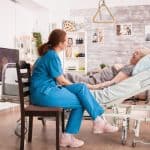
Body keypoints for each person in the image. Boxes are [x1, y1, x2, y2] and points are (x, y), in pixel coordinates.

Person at [30, 29, 118, 148]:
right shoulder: (52, 55)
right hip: (44, 94)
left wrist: (79, 86)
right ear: (60, 43)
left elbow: (39, 72)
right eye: (66, 41)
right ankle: (74, 133)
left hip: (44, 92)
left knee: (81, 87)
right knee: (82, 100)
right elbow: (60, 80)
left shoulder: (47, 54)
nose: (68, 43)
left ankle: (97, 122)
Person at [65, 47, 150, 90]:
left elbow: (113, 82)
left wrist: (93, 87)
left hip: (94, 81)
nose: (134, 53)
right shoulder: (129, 66)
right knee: (65, 77)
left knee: (66, 76)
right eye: (135, 52)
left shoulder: (130, 68)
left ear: (141, 58)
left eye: (137, 53)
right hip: (93, 78)